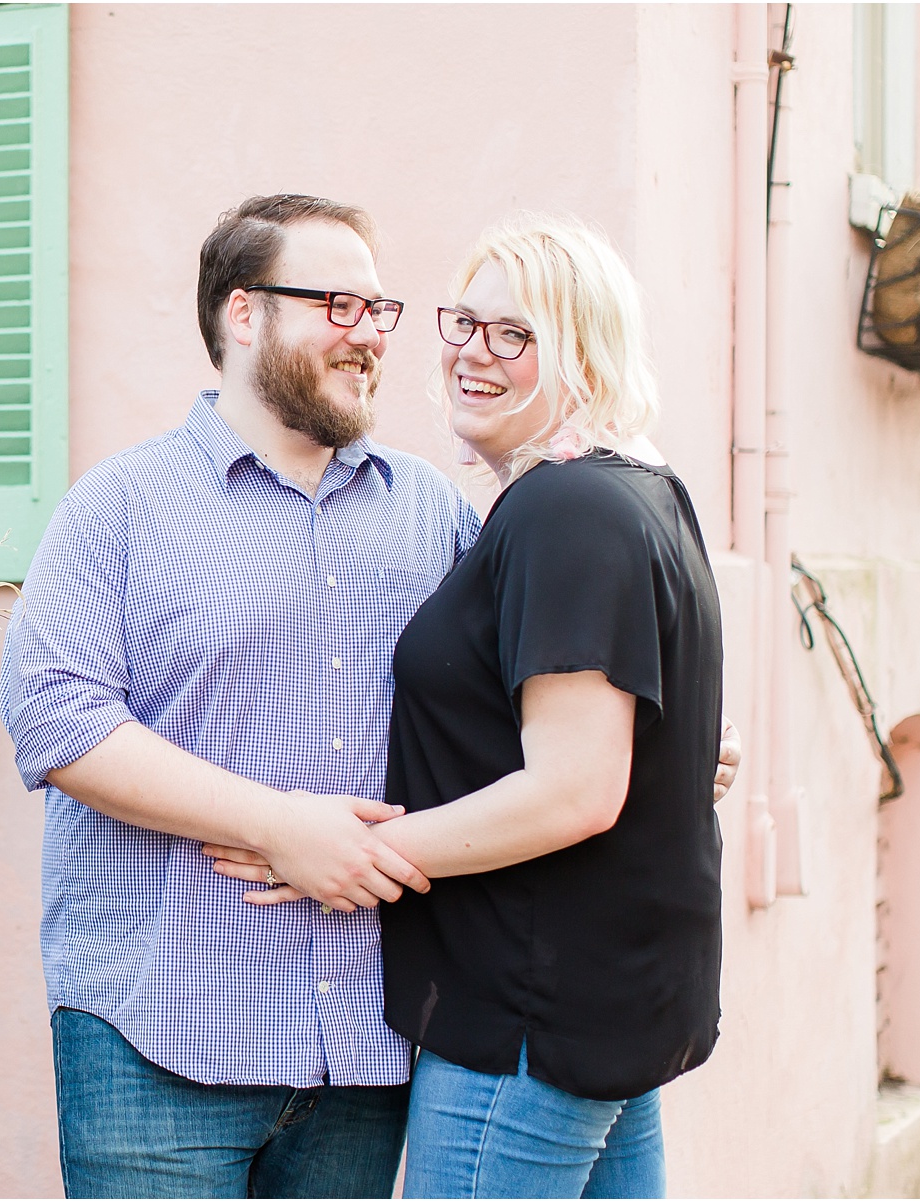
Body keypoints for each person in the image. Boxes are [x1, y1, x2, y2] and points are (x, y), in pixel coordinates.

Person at [210, 215, 726, 1198]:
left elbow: (576, 788)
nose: (472, 355)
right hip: (607, 1008)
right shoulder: (642, 491)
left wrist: (357, 856)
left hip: (527, 1020)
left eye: (515, 335)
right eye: (463, 323)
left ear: (585, 352)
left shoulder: (566, 510)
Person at [0, 194, 482, 1197]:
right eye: (337, 304)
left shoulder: (430, 509)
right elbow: (57, 713)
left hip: (364, 1045)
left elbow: (523, 687)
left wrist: (668, 732)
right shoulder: (120, 504)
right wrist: (276, 823)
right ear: (243, 312)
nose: (368, 335)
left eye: (379, 309)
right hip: (157, 1039)